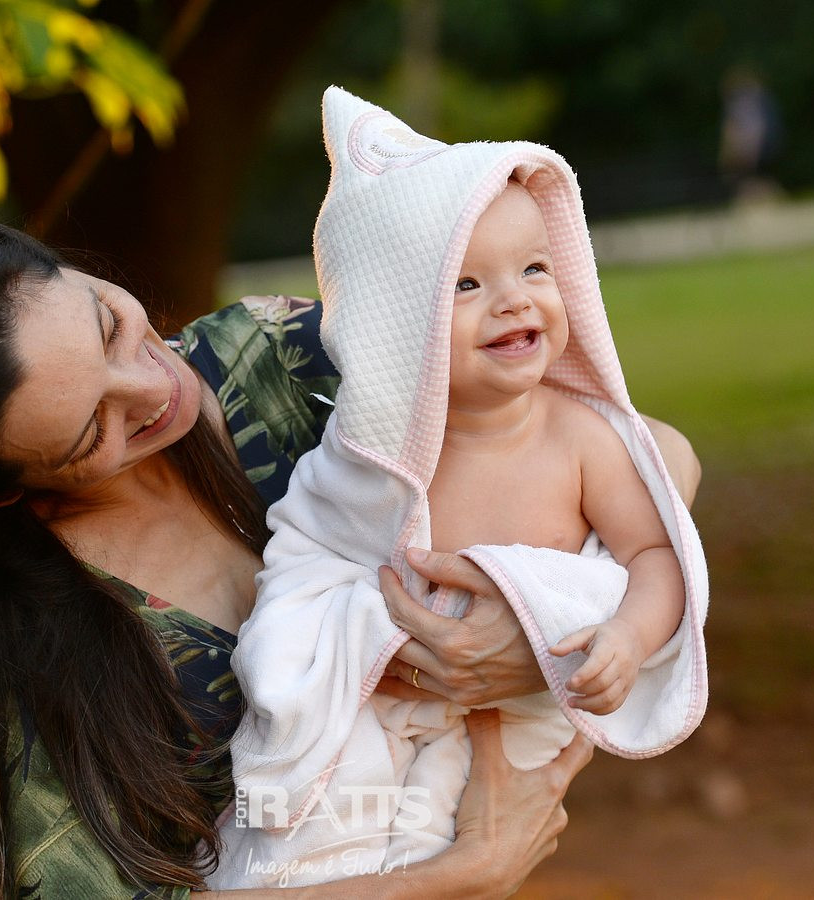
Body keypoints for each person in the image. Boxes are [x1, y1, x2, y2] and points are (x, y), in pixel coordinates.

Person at [0, 220, 702, 899]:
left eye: (110, 324)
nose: (154, 387)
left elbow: (636, 455)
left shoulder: (274, 362)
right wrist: (461, 874)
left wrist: (530, 633)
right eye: (92, 430)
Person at [213, 88, 708, 887]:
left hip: (505, 725)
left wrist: (625, 635)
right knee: (308, 845)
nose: (514, 299)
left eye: (534, 268)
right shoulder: (370, 457)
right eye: (466, 285)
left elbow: (656, 553)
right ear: (393, 327)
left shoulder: (578, 439)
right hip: (377, 706)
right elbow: (307, 559)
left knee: (446, 837)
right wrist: (336, 641)